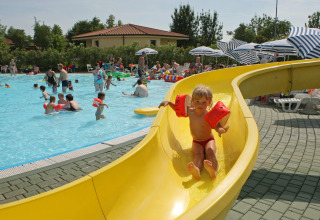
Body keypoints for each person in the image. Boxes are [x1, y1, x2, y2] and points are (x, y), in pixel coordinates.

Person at [158, 86, 229, 180]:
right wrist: (170, 103)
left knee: (210, 153)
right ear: (192, 101)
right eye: (197, 101)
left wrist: (221, 130)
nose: (200, 104)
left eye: (204, 102)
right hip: (196, 141)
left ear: (209, 102)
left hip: (209, 140)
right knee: (198, 155)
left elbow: (216, 125)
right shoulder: (190, 112)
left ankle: (213, 170)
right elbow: (178, 110)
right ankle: (197, 170)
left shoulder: (208, 115)